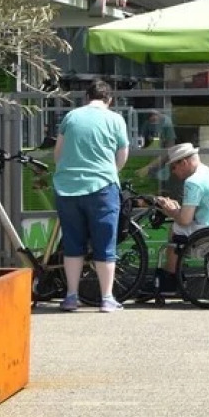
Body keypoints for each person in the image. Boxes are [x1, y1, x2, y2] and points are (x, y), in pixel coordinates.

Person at [52, 80, 130, 312]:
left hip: (67, 188)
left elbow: (58, 153)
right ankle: (106, 298)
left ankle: (71, 296)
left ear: (86, 97)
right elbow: (122, 154)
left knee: (72, 243)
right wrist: (110, 173)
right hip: (102, 187)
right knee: (105, 244)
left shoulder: (71, 117)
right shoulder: (115, 119)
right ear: (110, 100)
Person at [150, 144, 209, 291]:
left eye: (173, 167)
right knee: (180, 224)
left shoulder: (193, 182)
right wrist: (178, 209)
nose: (173, 172)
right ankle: (176, 273)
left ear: (184, 163)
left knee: (176, 228)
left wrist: (169, 210)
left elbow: (185, 220)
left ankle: (171, 279)